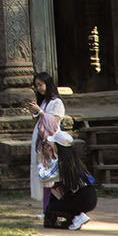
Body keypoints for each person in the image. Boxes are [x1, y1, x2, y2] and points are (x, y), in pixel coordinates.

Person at [26, 71, 66, 217]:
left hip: (51, 143)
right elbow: (40, 122)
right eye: (37, 86)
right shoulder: (44, 102)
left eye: (41, 85)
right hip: (40, 142)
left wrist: (41, 112)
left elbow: (54, 124)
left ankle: (54, 208)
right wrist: (35, 112)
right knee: (44, 176)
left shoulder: (57, 102)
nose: (39, 88)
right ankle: (46, 209)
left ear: (47, 84)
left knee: (52, 177)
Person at [43, 139, 99, 231]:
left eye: (49, 147)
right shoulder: (73, 163)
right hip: (90, 197)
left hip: (82, 199)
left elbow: (44, 177)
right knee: (56, 194)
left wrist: (40, 160)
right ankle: (77, 215)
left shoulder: (61, 165)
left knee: (52, 209)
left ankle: (77, 216)